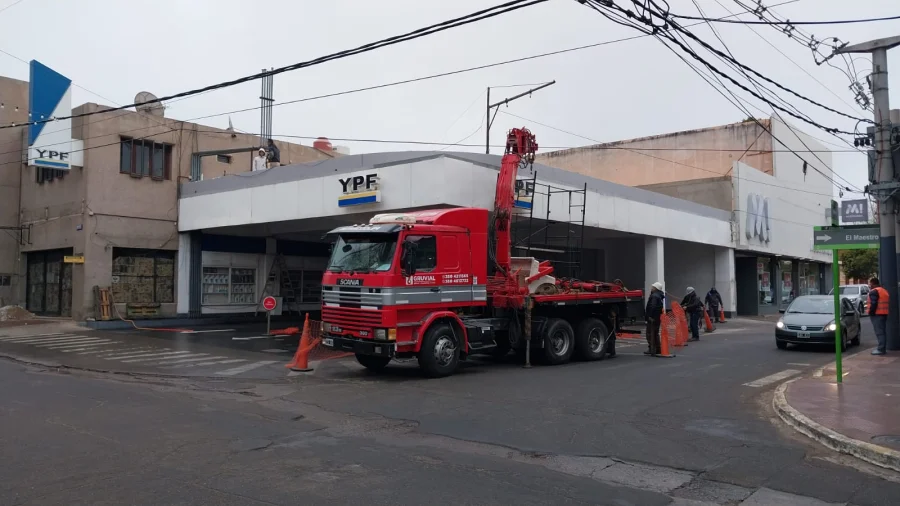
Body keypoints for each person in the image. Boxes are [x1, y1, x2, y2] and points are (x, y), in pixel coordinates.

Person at [868, 277, 889, 355]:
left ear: (873, 284)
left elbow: (874, 303)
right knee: (882, 332)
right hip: (884, 313)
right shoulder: (884, 290)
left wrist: (871, 312)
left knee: (879, 332)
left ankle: (881, 349)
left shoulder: (874, 291)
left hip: (877, 314)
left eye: (870, 284)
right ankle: (882, 348)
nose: (870, 285)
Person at [645, 282, 664, 355]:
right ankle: (658, 349)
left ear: (655, 288)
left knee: (650, 333)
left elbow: (652, 306)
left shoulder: (654, 296)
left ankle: (652, 349)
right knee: (655, 333)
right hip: (657, 317)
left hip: (652, 318)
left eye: (653, 287)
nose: (651, 288)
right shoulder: (659, 295)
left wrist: (650, 316)